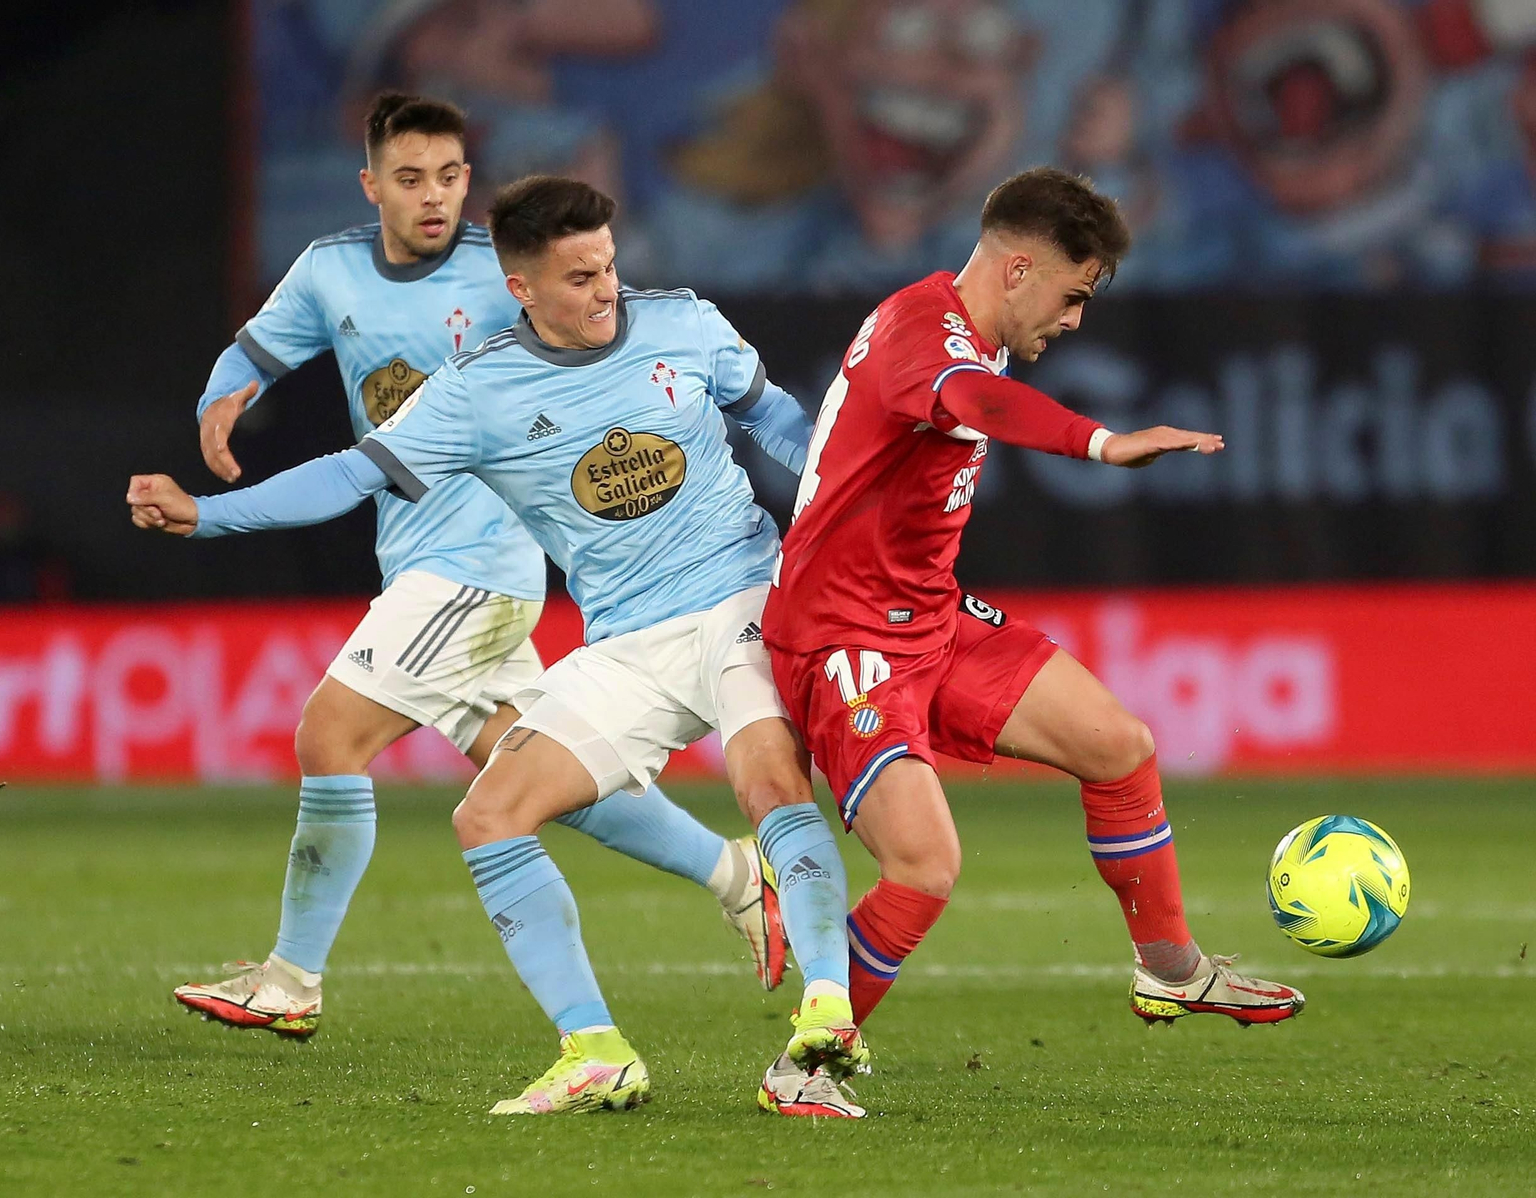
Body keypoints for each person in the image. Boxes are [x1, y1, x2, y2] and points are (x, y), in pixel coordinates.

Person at [128, 176, 868, 1119]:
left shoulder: (685, 324)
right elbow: (351, 475)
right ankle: (596, 1050)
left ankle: (826, 1019)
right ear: (521, 287)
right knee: (488, 816)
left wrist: (830, 507)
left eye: (608, 266)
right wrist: (208, 517)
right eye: (579, 277)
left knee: (768, 780)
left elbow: (774, 418)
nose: (607, 291)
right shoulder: (477, 392)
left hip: (742, 598)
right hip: (626, 641)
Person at [762, 166, 1306, 1043]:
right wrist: (1101, 442)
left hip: (929, 617)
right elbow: (975, 399)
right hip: (841, 640)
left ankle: (1171, 971)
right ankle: (813, 1058)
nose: (1075, 319)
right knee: (925, 866)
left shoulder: (982, 330)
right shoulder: (920, 329)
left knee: (1119, 747)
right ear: (1017, 271)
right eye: (1073, 295)